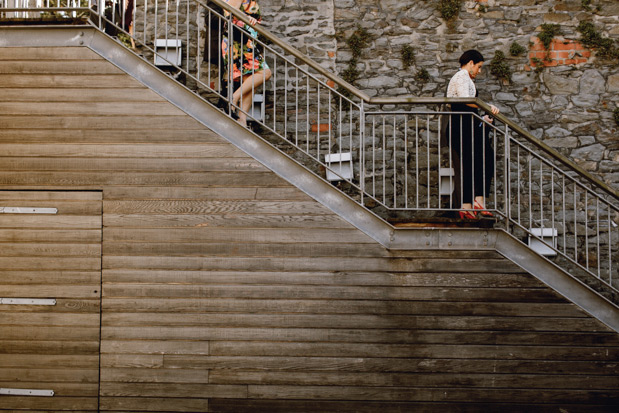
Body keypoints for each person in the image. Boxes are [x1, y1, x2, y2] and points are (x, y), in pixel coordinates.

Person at [446, 49, 499, 219]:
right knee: (481, 161)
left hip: (465, 126)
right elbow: (465, 100)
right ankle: (473, 202)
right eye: (479, 67)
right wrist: (487, 107)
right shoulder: (462, 76)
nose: (480, 71)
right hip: (461, 128)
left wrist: (483, 116)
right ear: (470, 64)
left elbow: (467, 104)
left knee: (475, 163)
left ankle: (469, 204)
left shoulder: (465, 78)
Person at [221, 0, 272, 127]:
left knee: (249, 81)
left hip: (246, 40)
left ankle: (242, 120)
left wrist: (250, 19)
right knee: (265, 73)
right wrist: (246, 18)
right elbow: (229, 11)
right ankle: (233, 97)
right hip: (240, 41)